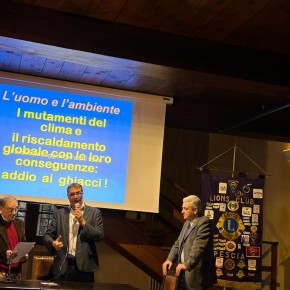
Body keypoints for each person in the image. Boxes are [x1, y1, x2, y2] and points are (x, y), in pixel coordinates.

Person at [43, 183, 104, 282]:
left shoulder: (94, 213)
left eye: (78, 193)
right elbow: (47, 235)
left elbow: (100, 236)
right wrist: (53, 243)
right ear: (67, 196)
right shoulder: (60, 214)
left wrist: (83, 222)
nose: (75, 197)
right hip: (63, 265)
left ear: (82, 194)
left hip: (84, 267)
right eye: (72, 194)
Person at [162, 195, 216, 290]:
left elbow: (198, 248)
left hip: (195, 275)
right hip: (182, 273)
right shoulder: (187, 223)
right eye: (182, 208)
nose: (182, 211)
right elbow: (178, 243)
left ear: (195, 210)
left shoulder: (204, 223)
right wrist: (169, 259)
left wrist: (186, 265)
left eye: (185, 209)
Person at [0, 196, 28, 281]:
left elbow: (23, 243)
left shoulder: (20, 223)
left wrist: (24, 255)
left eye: (16, 209)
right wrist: (4, 255)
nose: (14, 212)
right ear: (1, 208)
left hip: (16, 272)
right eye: (10, 210)